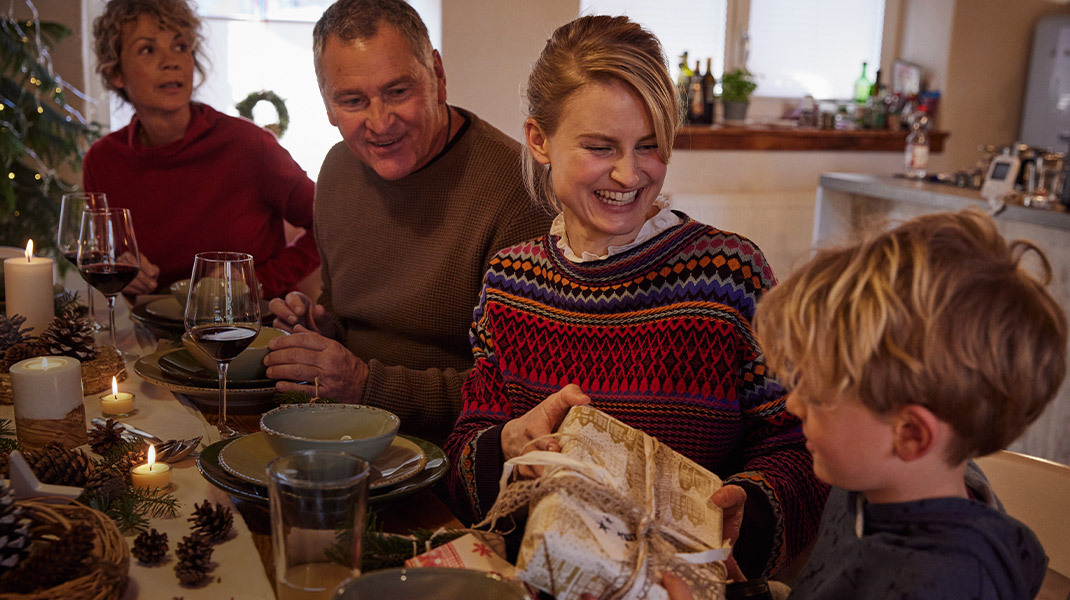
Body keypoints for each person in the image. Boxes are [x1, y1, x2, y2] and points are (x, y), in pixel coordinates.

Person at [444, 14, 827, 579]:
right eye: (601, 147)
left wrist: (753, 504)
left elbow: (802, 444)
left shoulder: (728, 276)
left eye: (650, 146)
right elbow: (464, 445)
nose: (628, 174)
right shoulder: (509, 282)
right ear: (539, 140)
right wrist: (504, 444)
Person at [264, 0, 552, 444]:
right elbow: (346, 310)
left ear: (437, 75)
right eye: (354, 100)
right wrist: (321, 330)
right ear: (327, 105)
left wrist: (365, 385)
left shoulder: (516, 191)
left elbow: (521, 393)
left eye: (398, 91)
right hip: (342, 431)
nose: (379, 122)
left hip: (450, 459)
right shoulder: (338, 169)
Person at [738, 210, 1063, 599]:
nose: (793, 405)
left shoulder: (946, 583)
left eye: (818, 395)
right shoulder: (867, 482)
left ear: (910, 434)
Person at [83, 0, 319, 300]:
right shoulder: (102, 161)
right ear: (116, 73)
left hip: (252, 331)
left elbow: (328, 227)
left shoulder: (249, 145)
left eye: (181, 46)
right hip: (151, 336)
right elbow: (106, 258)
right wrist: (122, 275)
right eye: (148, 49)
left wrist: (257, 284)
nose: (172, 61)